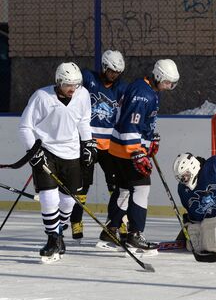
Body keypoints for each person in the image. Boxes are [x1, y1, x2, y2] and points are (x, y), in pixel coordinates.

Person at [98, 59, 180, 252]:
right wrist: (138, 152)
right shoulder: (142, 94)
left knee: (125, 189)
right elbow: (130, 126)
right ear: (158, 75)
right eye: (168, 82)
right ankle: (135, 234)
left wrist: (150, 140)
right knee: (142, 189)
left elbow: (141, 124)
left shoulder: (146, 88)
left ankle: (110, 230)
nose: (169, 86)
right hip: (127, 150)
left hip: (119, 148)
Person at [18, 62, 96, 263]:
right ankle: (52, 238)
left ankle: (59, 231)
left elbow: (83, 121)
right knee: (48, 195)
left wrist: (88, 144)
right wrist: (33, 151)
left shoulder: (83, 95)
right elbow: (25, 127)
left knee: (69, 199)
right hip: (47, 151)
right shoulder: (41, 97)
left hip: (71, 152)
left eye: (76, 84)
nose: (73, 88)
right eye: (69, 84)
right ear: (59, 81)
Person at [70, 50, 128, 242]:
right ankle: (76, 220)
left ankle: (118, 221)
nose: (114, 75)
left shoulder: (121, 88)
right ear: (104, 67)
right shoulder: (88, 79)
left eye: (118, 72)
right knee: (82, 185)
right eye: (112, 71)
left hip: (109, 146)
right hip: (87, 142)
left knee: (116, 184)